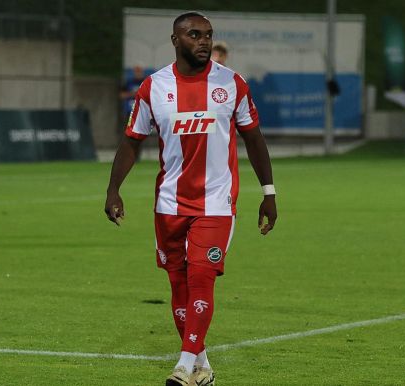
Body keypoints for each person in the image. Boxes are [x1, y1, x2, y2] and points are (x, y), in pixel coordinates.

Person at [104, 11, 277, 386]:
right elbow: (132, 141)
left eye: (208, 35)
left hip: (216, 203)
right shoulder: (153, 87)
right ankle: (203, 366)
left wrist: (268, 192)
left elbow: (254, 138)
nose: (203, 41)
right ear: (176, 40)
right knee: (178, 285)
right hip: (169, 203)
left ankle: (183, 366)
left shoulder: (232, 84)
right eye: (195, 35)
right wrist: (113, 189)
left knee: (202, 276)